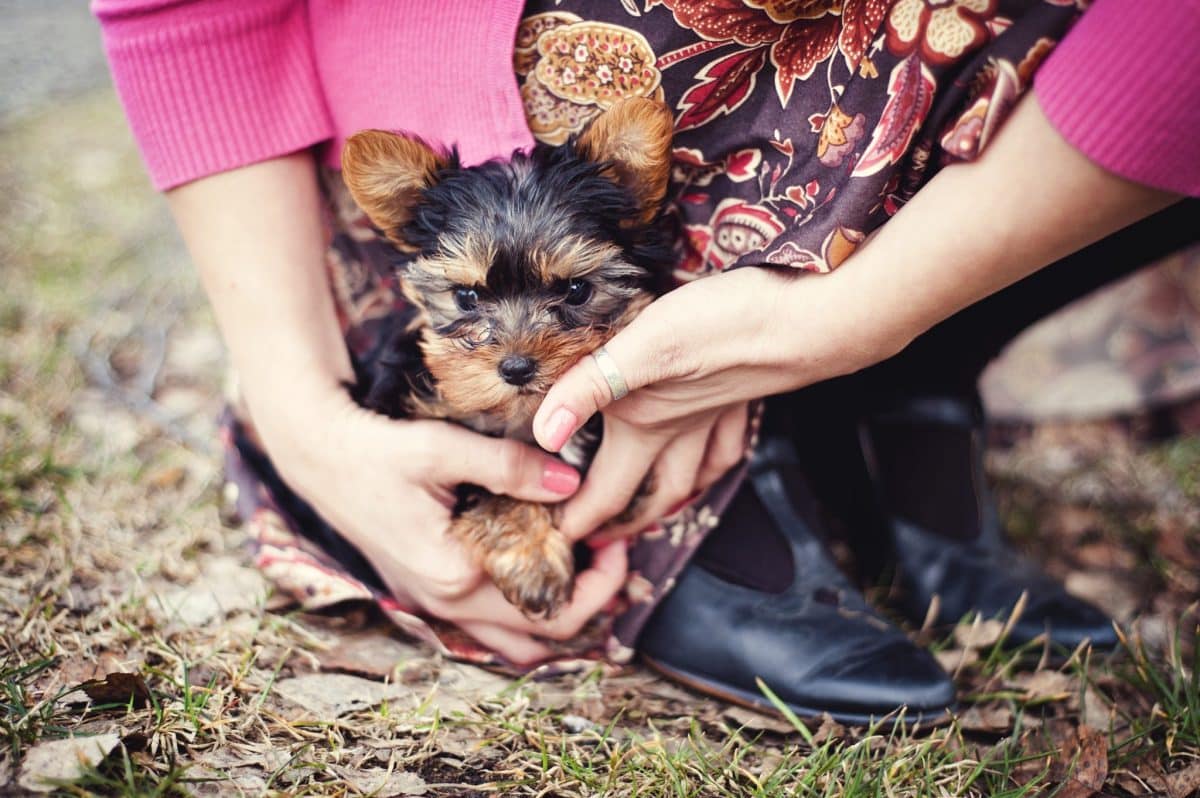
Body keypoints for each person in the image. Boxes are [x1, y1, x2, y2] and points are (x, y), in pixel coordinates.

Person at [94, 0, 1199, 721]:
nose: (523, 350)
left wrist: (862, 316)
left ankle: (900, 372)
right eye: (476, 308)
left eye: (569, 297)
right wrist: (300, 404)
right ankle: (721, 508)